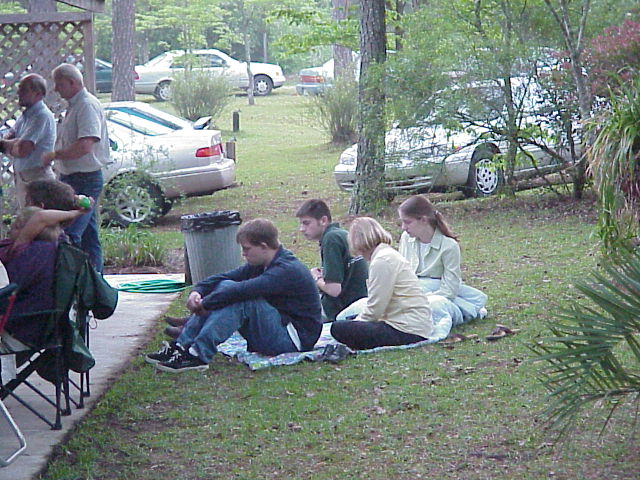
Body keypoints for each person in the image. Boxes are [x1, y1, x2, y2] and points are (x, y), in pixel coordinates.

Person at [145, 218, 322, 373]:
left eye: (246, 249)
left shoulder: (286, 270)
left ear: (263, 246)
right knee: (227, 285)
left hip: (293, 339)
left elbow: (242, 291)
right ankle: (181, 345)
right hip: (278, 325)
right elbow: (225, 278)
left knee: (244, 300)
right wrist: (197, 291)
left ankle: (198, 354)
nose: (244, 254)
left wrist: (205, 304)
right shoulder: (262, 263)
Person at [42, 63, 110, 273]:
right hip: (72, 177)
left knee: (70, 232)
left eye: (59, 84)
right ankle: (95, 281)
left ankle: (73, 280)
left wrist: (56, 155)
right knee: (89, 236)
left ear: (73, 82)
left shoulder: (86, 106)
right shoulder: (74, 106)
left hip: (85, 178)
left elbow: (85, 145)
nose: (56, 89)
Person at [330, 217, 433, 351]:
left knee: (338, 328)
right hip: (414, 325)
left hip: (406, 329)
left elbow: (375, 309)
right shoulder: (387, 254)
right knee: (350, 320)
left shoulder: (381, 261)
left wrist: (357, 323)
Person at [0, 207, 88, 350]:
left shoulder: (30, 254)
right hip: (44, 330)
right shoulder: (58, 248)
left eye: (15, 226)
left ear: (29, 229)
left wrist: (74, 213)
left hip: (18, 330)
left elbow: (5, 290)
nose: (9, 231)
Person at [397, 195, 487, 323]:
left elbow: (449, 289)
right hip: (413, 292)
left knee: (434, 307)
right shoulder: (406, 239)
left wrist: (421, 299)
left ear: (423, 220)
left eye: (407, 222)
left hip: (438, 294)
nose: (403, 227)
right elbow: (402, 274)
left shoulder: (449, 246)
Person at [296, 199, 368, 321]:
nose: (302, 229)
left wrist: (316, 278)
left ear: (323, 220)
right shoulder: (342, 234)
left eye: (306, 223)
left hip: (342, 310)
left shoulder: (331, 239)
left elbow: (334, 290)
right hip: (360, 303)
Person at [0, 74, 56, 207]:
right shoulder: (25, 116)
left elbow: (22, 150)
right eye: (19, 88)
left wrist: (16, 144)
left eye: (24, 90)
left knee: (39, 216)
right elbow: (7, 138)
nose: (18, 93)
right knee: (27, 215)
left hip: (38, 178)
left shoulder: (41, 116)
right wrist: (15, 142)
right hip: (24, 177)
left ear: (38, 94)